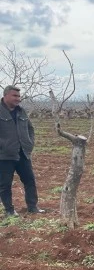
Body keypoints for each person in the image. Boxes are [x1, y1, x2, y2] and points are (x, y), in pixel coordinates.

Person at [0, 86, 45, 216]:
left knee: (30, 180)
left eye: (19, 96)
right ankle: (9, 210)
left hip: (23, 153)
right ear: (6, 95)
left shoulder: (21, 111)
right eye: (15, 96)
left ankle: (33, 207)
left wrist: (30, 143)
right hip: (5, 155)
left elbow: (30, 129)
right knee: (5, 184)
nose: (18, 99)